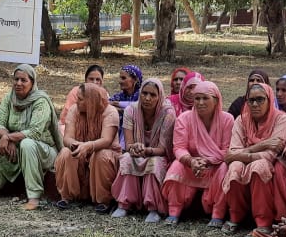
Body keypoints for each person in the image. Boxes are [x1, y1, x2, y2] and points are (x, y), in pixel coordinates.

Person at [0, 64, 63, 211]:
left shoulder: (41, 101)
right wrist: (6, 137)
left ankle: (34, 196)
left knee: (27, 143)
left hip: (44, 150)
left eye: (24, 80)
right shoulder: (10, 97)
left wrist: (9, 138)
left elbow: (34, 132)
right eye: (16, 79)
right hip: (17, 145)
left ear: (32, 82)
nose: (18, 83)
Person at [216, 83, 286, 234]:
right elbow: (231, 154)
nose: (255, 104)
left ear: (269, 100)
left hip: (270, 165)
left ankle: (263, 222)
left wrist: (242, 154)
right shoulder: (241, 120)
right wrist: (260, 145)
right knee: (235, 166)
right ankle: (236, 216)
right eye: (251, 100)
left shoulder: (282, 120)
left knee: (259, 166)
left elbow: (270, 155)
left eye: (260, 99)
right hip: (247, 160)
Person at [161, 81, 233, 225]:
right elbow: (179, 147)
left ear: (216, 99)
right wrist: (192, 161)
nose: (200, 102)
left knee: (225, 168)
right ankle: (174, 210)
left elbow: (227, 150)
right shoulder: (184, 118)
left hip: (215, 164)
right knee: (177, 166)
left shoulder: (227, 119)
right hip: (191, 164)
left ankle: (217, 213)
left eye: (205, 98)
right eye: (197, 98)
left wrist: (206, 161)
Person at [111, 78, 175, 221]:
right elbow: (128, 145)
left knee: (154, 162)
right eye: (144, 94)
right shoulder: (131, 110)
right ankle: (124, 204)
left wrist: (147, 151)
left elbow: (163, 149)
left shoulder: (168, 113)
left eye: (153, 95)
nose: (147, 98)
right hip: (137, 152)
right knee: (128, 158)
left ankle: (154, 208)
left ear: (160, 97)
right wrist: (134, 148)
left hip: (157, 154)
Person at [54, 82, 120, 212]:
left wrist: (88, 146)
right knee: (66, 152)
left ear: (91, 100)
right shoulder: (74, 110)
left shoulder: (110, 112)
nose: (77, 101)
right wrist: (75, 145)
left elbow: (107, 140)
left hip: (105, 154)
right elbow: (67, 138)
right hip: (80, 152)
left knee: (100, 155)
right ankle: (67, 197)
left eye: (80, 99)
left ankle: (104, 200)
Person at [60, 64, 105, 131]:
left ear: (101, 82)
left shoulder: (104, 95)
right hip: (74, 126)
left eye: (98, 79)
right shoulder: (76, 92)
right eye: (91, 79)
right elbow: (65, 117)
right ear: (85, 80)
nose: (94, 82)